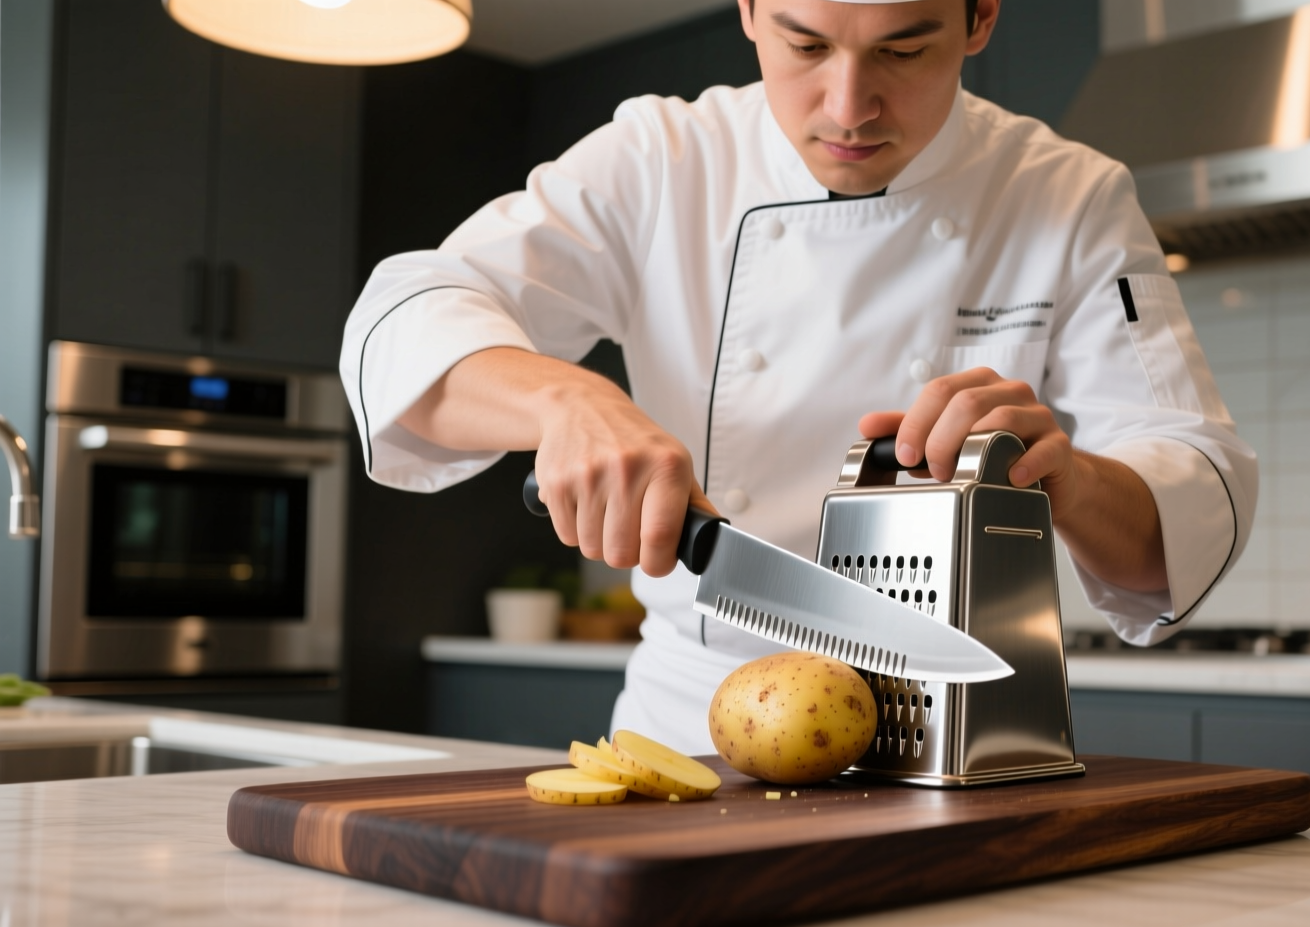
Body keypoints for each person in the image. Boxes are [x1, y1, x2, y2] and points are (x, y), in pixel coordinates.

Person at [341, 0, 1256, 756]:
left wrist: (1072, 480)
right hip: (688, 722)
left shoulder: (1068, 194)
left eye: (904, 48)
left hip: (953, 728)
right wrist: (565, 400)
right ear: (746, 12)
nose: (849, 105)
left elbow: (1187, 487)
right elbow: (408, 315)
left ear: (981, 20)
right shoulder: (664, 160)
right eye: (805, 44)